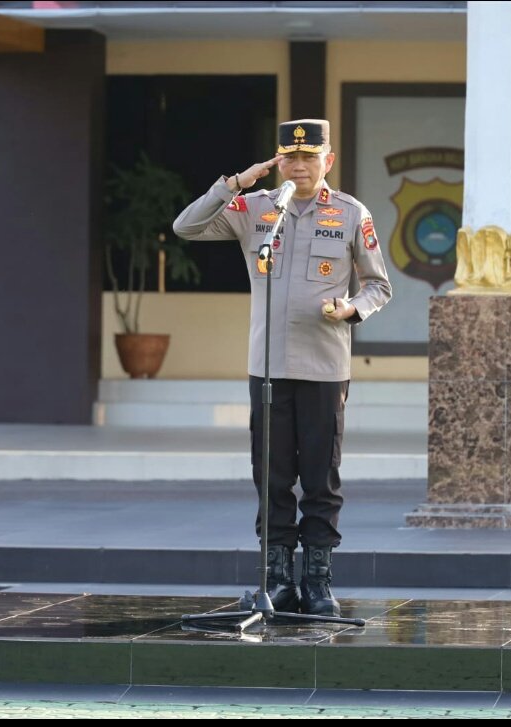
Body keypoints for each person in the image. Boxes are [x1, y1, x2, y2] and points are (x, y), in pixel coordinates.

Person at [173, 119, 392, 616]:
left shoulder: (351, 213)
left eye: (310, 157)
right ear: (277, 161)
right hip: (267, 365)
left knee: (321, 476)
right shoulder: (255, 210)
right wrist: (235, 183)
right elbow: (185, 226)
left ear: (327, 161)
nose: (300, 166)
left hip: (324, 366)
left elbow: (379, 286)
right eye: (290, 158)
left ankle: (317, 580)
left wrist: (352, 309)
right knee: (271, 476)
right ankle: (277, 578)